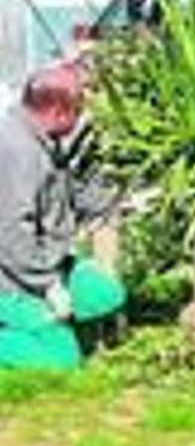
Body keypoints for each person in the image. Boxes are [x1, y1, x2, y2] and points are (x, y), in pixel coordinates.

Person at [0, 63, 125, 369]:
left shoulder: (41, 137)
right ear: (58, 111)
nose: (82, 116)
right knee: (62, 361)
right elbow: (10, 233)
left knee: (105, 293)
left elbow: (71, 194)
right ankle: (22, 323)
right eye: (79, 109)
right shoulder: (17, 151)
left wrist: (108, 203)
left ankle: (42, 323)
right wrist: (49, 286)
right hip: (11, 277)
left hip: (47, 261)